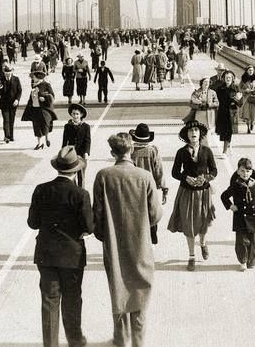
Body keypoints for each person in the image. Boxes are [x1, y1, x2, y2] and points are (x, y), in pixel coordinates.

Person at [93, 133, 163, 347]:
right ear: (131, 150)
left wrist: (103, 235)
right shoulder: (145, 177)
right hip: (140, 242)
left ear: (113, 152)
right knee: (140, 288)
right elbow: (155, 214)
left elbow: (97, 214)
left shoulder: (103, 176)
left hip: (114, 243)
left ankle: (121, 338)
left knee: (118, 287)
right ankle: (138, 341)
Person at [27, 145, 93, 347]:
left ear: (57, 167)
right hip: (72, 256)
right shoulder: (80, 194)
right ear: (76, 170)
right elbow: (89, 227)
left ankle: (50, 343)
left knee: (50, 300)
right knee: (72, 299)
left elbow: (33, 223)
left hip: (46, 253)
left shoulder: (41, 189)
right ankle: (75, 340)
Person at [167, 120, 217, 271]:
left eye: (196, 130)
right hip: (187, 192)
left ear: (200, 134)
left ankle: (202, 243)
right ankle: (191, 256)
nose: (193, 133)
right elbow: (175, 172)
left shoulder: (207, 151)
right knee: (188, 223)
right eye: (190, 131)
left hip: (203, 193)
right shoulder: (181, 152)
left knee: (203, 223)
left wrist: (206, 178)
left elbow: (214, 170)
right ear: (186, 135)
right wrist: (185, 177)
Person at [220, 157, 255, 271]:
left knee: (253, 241)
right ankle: (243, 260)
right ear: (238, 171)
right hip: (240, 217)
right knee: (241, 241)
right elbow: (224, 196)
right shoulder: (236, 185)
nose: (245, 173)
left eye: (248, 171)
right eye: (242, 171)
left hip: (254, 217)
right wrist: (231, 206)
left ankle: (251, 260)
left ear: (251, 172)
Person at [129, 123, 168, 244]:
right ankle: (152, 239)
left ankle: (138, 241)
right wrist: (164, 189)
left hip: (134, 188)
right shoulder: (153, 150)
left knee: (136, 215)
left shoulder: (130, 151)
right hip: (150, 188)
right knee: (152, 213)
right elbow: (159, 170)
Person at [22, 67, 57, 150]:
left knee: (45, 124)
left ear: (38, 77)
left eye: (34, 77)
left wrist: (44, 98)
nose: (32, 79)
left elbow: (52, 96)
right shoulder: (33, 85)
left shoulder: (46, 84)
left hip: (44, 109)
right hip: (35, 109)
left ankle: (47, 138)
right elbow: (31, 97)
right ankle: (39, 143)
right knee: (36, 126)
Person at [62, 104, 91, 188]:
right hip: (71, 154)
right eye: (73, 114)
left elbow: (87, 140)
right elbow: (64, 141)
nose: (75, 116)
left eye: (77, 114)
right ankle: (74, 190)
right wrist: (63, 153)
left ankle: (81, 190)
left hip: (81, 154)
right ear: (71, 114)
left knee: (81, 174)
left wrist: (86, 152)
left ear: (81, 115)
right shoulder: (67, 126)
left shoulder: (86, 126)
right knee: (71, 174)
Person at [213, 69, 241, 155]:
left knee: (229, 131)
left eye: (229, 77)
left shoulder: (236, 88)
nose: (228, 79)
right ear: (224, 78)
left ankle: (224, 151)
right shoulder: (220, 88)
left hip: (232, 112)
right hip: (222, 112)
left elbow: (240, 103)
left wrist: (236, 100)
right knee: (223, 131)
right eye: (226, 77)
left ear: (232, 79)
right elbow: (215, 99)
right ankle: (228, 146)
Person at [0, 64, 23, 143]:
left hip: (13, 104)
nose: (7, 74)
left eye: (9, 72)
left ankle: (11, 136)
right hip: (4, 104)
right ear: (4, 72)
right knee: (6, 120)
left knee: (11, 120)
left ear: (11, 72)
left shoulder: (16, 79)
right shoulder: (1, 80)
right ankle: (7, 136)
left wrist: (17, 100)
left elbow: (19, 91)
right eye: (6, 73)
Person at [239, 66, 255, 134]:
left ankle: (252, 122)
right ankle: (248, 127)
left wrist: (254, 90)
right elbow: (239, 88)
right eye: (249, 70)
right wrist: (245, 90)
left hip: (254, 98)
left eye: (252, 70)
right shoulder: (243, 78)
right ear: (247, 71)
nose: (251, 71)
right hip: (246, 98)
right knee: (247, 113)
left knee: (253, 113)